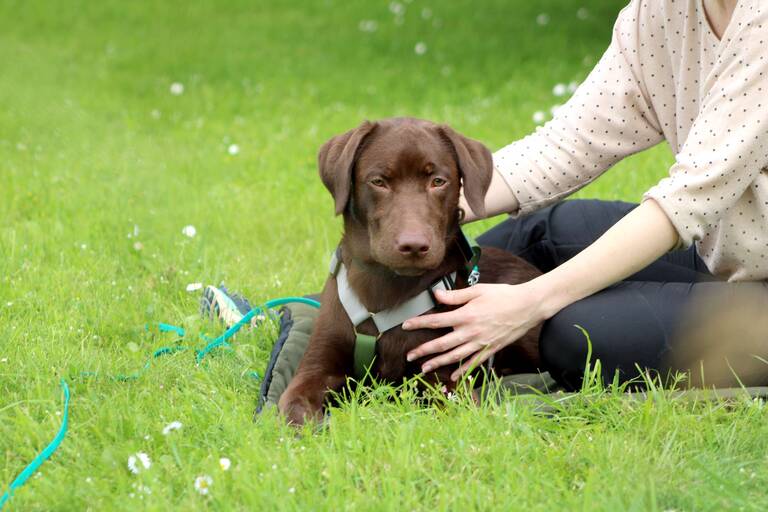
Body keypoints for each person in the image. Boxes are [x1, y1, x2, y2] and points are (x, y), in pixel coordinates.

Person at [401, 0, 768, 389]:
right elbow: (568, 145)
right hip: (726, 258)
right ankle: (354, 323)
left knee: (571, 331)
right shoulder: (661, 12)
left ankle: (431, 346)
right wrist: (418, 213)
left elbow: (686, 201)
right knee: (534, 235)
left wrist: (530, 301)